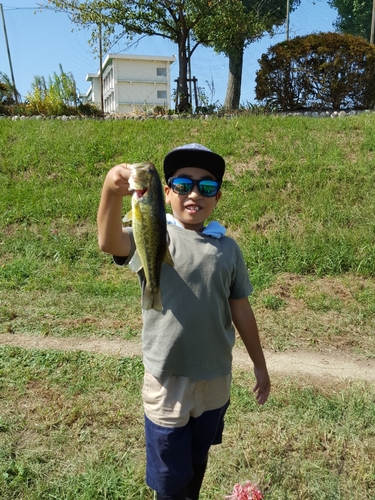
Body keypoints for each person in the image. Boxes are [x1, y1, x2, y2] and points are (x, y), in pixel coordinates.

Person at [97, 143, 271, 500]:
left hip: (215, 380)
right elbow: (108, 241)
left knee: (196, 461)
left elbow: (241, 310)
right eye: (182, 185)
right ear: (165, 192)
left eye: (206, 187)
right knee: (168, 477)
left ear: (217, 197)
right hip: (167, 384)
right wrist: (111, 190)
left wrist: (260, 365)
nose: (194, 194)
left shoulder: (228, 249)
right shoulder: (154, 232)